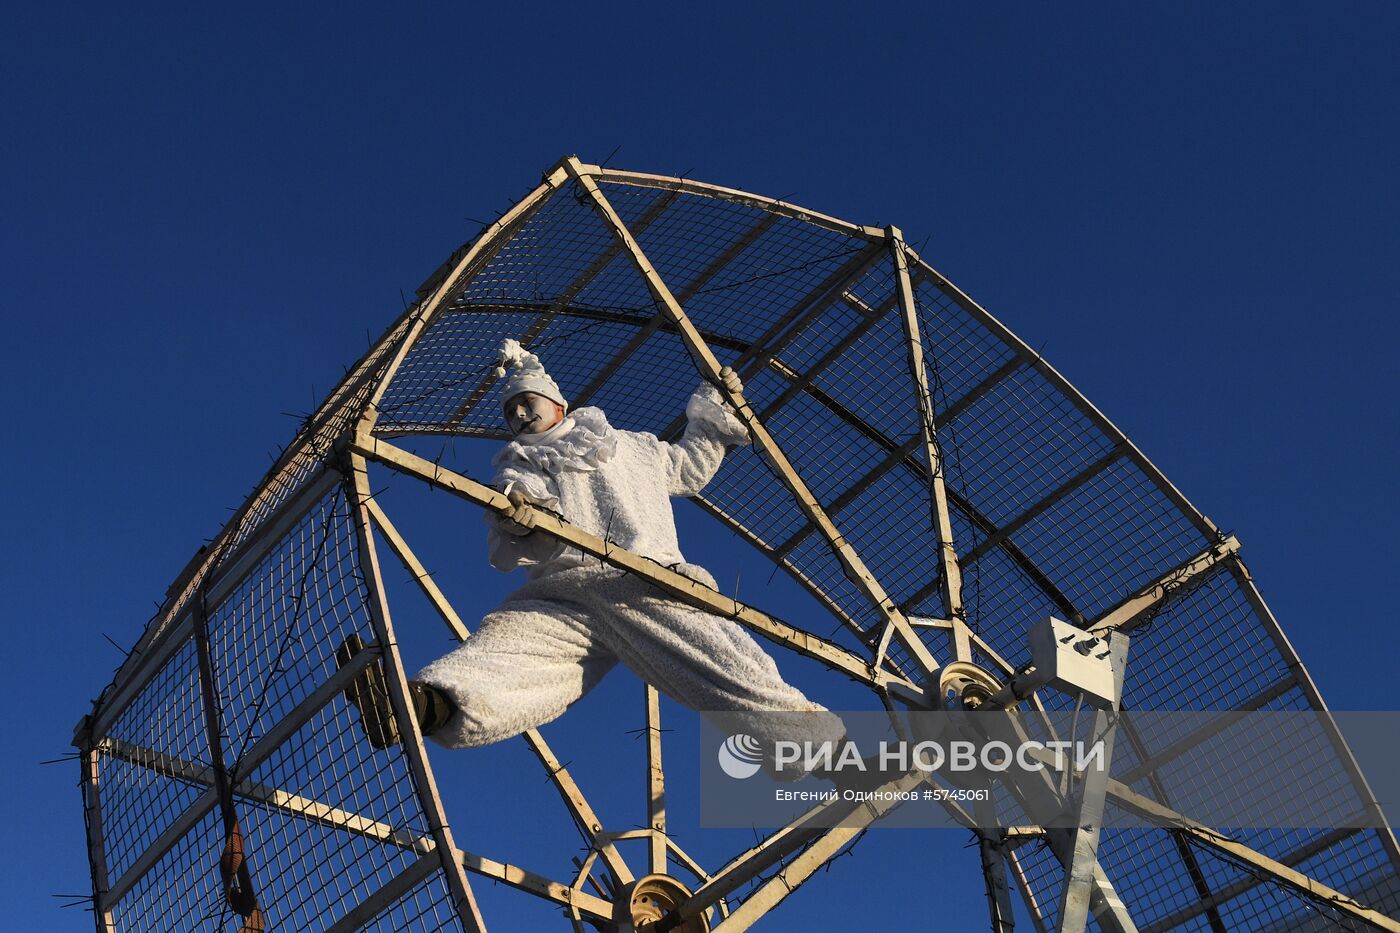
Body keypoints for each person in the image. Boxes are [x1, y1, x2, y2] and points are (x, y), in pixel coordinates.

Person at [340, 338, 854, 780]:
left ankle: (825, 752)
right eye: (510, 410)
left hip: (642, 577)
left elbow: (690, 467)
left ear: (558, 403)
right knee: (510, 653)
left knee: (723, 668)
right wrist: (521, 517)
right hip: (564, 589)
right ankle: (418, 705)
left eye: (527, 403)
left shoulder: (633, 448)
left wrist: (714, 410)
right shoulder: (522, 464)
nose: (519, 415)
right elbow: (524, 511)